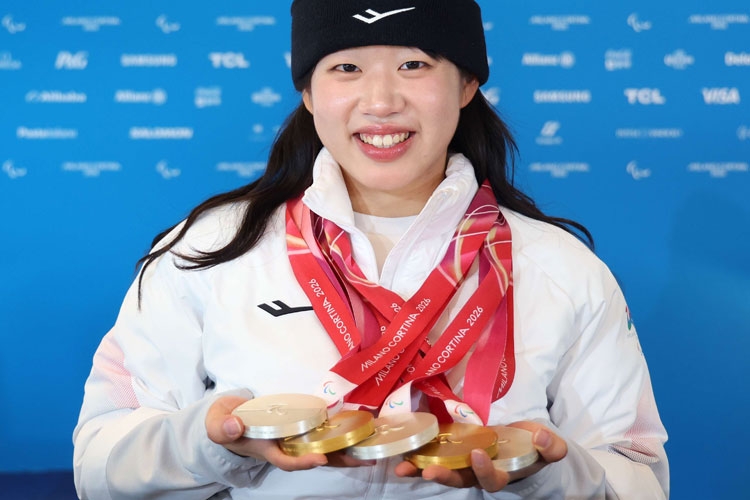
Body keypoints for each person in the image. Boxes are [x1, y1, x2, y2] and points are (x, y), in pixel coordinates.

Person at [73, 1, 669, 498]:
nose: (380, 101)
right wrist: (208, 443)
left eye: (414, 64)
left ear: (467, 84)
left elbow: (640, 477)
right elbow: (98, 463)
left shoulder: (563, 267)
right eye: (346, 67)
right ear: (309, 91)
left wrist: (544, 474)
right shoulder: (211, 249)